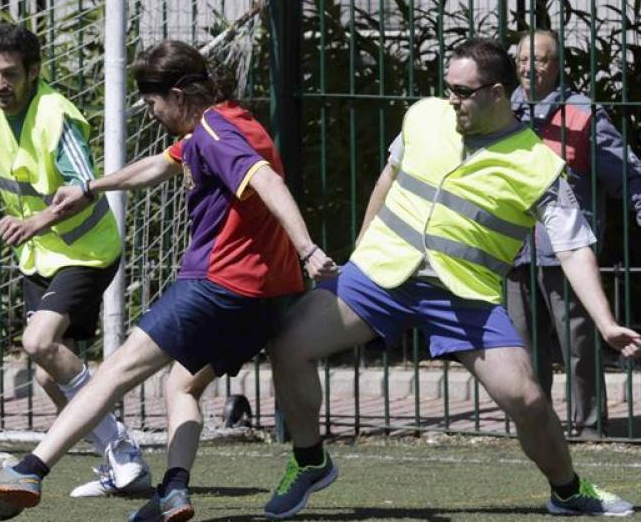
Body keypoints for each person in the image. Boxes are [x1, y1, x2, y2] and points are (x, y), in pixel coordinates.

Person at [0, 39, 337, 522]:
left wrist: (308, 247)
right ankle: (173, 491)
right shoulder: (229, 119)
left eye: (152, 103)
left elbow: (265, 180)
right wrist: (91, 187)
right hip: (268, 294)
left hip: (220, 283)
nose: (151, 113)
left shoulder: (216, 131)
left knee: (117, 371)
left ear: (177, 94)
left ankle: (29, 470)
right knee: (182, 384)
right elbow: (160, 165)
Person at [262, 37, 640, 519]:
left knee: (526, 397)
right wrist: (360, 251)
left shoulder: (539, 165)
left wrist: (605, 323)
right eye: (448, 88)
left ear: (497, 93)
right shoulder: (423, 115)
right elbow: (389, 178)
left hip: (463, 296)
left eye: (463, 91)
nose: (451, 100)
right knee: (288, 344)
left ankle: (567, 491)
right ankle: (310, 461)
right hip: (381, 275)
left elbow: (572, 247)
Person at [0, 23, 149, 497]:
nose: (0, 84)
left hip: (86, 250)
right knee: (48, 373)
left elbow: (84, 190)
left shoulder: (55, 115)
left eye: (10, 74)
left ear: (34, 71)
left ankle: (123, 450)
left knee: (38, 341)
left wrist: (40, 220)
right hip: (38, 255)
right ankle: (123, 463)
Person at [507, 29, 641, 440]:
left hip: (565, 248)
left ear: (557, 64)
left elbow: (626, 172)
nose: (531, 67)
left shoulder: (582, 113)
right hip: (511, 248)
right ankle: (536, 424)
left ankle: (589, 425)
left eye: (541, 59)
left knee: (579, 344)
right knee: (523, 348)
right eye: (525, 59)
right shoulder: (501, 110)